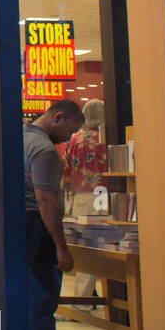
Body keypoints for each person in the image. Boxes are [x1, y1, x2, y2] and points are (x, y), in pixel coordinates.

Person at [24, 99, 85, 330]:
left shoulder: (18, 138)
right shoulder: (44, 150)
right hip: (37, 231)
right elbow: (46, 200)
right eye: (70, 131)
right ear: (57, 118)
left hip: (17, 229)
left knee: (23, 298)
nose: (68, 138)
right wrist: (61, 246)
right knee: (41, 301)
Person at [62, 98, 108, 309]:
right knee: (104, 249)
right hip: (103, 196)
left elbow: (67, 174)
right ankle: (95, 298)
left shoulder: (75, 140)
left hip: (80, 199)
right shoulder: (105, 139)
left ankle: (83, 299)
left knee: (84, 251)